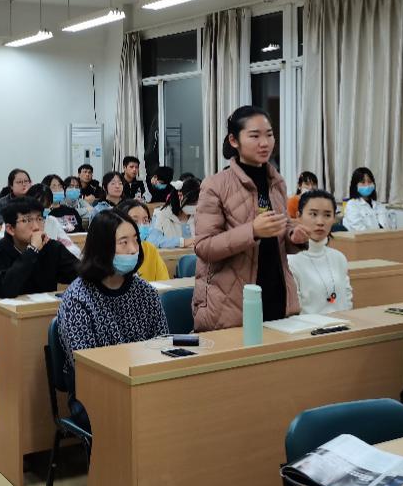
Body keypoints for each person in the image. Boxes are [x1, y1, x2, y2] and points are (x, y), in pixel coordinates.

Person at [193, 105, 307, 330]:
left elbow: (279, 230)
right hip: (231, 305)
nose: (265, 143)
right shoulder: (215, 185)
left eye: (269, 135)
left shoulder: (277, 182)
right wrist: (252, 231)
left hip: (276, 295)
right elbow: (204, 246)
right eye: (255, 136)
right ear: (234, 140)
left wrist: (294, 236)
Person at [56, 210, 169, 373]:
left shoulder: (146, 292)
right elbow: (85, 366)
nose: (133, 249)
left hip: (144, 377)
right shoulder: (78, 300)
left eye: (136, 240)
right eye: (124, 242)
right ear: (101, 248)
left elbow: (162, 346)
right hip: (99, 382)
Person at [0, 197, 78, 334]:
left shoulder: (51, 247)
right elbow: (5, 289)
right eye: (26, 220)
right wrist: (32, 250)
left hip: (44, 319)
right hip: (3, 327)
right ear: (10, 228)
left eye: (39, 219)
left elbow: (79, 274)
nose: (36, 227)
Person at [287, 190, 353, 315]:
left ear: (334, 218)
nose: (320, 222)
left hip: (343, 324)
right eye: (313, 214)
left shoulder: (338, 257)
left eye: (327, 215)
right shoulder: (290, 260)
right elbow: (294, 312)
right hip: (306, 326)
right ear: (298, 216)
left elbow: (347, 301)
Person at [117, 201, 169, 282]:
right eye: (135, 221)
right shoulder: (114, 251)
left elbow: (164, 282)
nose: (141, 225)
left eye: (145, 220)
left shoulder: (150, 249)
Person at [28, 184, 82, 258]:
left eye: (46, 206)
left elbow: (70, 246)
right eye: (39, 206)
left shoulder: (51, 220)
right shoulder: (24, 223)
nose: (43, 210)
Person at [342, 167, 393, 231]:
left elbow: (387, 227)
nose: (367, 185)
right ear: (355, 186)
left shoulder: (379, 205)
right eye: (363, 182)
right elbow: (359, 229)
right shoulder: (352, 205)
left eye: (369, 181)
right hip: (361, 237)